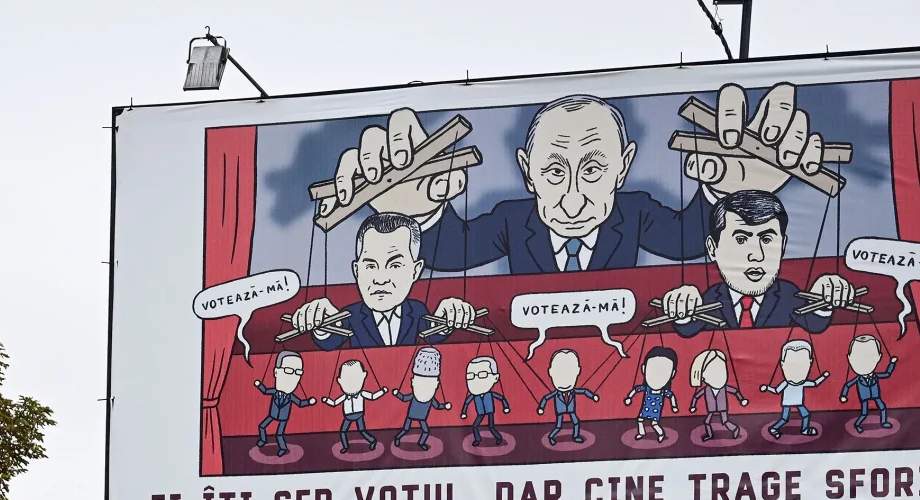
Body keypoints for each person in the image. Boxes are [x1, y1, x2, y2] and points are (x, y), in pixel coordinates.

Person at [319, 85, 834, 275]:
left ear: (623, 166)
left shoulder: (634, 212)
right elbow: (452, 251)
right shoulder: (512, 220)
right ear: (527, 170)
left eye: (592, 171)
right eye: (553, 172)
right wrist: (413, 212)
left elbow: (685, 241)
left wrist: (735, 191)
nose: (571, 200)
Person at [659, 190, 860, 338]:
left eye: (766, 239)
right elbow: (688, 328)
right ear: (713, 248)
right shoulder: (710, 300)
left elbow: (815, 322)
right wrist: (681, 307)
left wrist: (825, 297)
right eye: (740, 240)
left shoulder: (788, 295)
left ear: (783, 246)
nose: (756, 255)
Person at [288, 213, 474, 348]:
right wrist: (321, 324)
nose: (380, 279)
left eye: (395, 265)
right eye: (370, 266)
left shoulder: (417, 311)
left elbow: (433, 332)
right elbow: (330, 339)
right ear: (357, 271)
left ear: (415, 271)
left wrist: (449, 314)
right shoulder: (350, 316)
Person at [760, 338, 828, 438]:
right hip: (787, 402)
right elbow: (776, 390)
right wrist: (767, 388)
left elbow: (815, 383)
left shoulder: (802, 383)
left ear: (810, 363)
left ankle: (804, 429)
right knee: (784, 419)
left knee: (805, 414)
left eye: (802, 365)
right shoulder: (786, 383)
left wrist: (823, 377)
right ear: (782, 364)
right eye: (791, 365)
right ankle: (774, 428)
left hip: (798, 402)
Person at [254, 351, 314, 455]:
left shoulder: (291, 396)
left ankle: (283, 448)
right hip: (272, 414)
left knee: (279, 434)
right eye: (288, 370)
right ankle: (263, 440)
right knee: (262, 426)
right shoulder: (274, 391)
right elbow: (265, 391)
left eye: (298, 372)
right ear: (276, 372)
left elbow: (300, 403)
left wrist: (309, 402)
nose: (293, 377)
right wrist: (259, 385)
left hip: (283, 417)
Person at [535, 348, 598, 445]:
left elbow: (584, 391)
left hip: (571, 409)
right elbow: (546, 398)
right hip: (560, 410)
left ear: (578, 371)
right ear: (550, 372)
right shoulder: (556, 393)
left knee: (576, 422)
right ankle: (551, 436)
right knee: (558, 426)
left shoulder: (573, 391)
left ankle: (575, 436)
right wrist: (541, 407)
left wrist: (593, 396)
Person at [323, 359, 387, 452]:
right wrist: (327, 400)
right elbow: (334, 403)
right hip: (348, 416)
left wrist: (382, 391)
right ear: (339, 381)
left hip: (358, 414)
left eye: (355, 378)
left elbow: (372, 396)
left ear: (363, 376)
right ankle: (346, 447)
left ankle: (372, 440)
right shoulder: (345, 396)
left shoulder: (361, 393)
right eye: (347, 379)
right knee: (343, 431)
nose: (351, 383)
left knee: (361, 430)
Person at [392, 347, 451, 448]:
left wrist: (445, 406)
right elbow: (404, 398)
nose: (424, 388)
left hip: (422, 417)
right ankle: (397, 438)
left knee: (425, 431)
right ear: (413, 382)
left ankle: (421, 442)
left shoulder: (430, 399)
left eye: (428, 384)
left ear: (436, 385)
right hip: (411, 415)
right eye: (421, 383)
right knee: (406, 429)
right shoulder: (415, 395)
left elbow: (438, 406)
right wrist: (397, 393)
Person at [838, 334, 898, 432]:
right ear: (849, 358)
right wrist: (843, 395)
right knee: (864, 413)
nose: (864, 362)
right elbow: (847, 385)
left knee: (882, 407)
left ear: (879, 357)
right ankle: (857, 424)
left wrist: (892, 363)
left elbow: (887, 374)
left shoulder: (875, 376)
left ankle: (884, 422)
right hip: (864, 397)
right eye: (858, 358)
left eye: (869, 356)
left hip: (875, 395)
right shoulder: (858, 378)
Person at [687, 349, 749, 441]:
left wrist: (741, 399)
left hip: (722, 406)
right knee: (707, 422)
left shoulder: (724, 388)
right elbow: (696, 396)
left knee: (725, 421)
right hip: (711, 408)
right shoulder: (706, 389)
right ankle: (710, 435)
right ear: (702, 377)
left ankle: (735, 429)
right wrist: (693, 406)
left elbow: (735, 391)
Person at [624, 347, 679, 442]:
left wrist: (674, 406)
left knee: (654, 423)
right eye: (653, 370)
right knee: (640, 420)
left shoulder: (663, 392)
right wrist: (629, 397)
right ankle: (641, 433)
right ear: (644, 369)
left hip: (655, 411)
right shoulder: (647, 388)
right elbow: (636, 389)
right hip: (645, 409)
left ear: (672, 374)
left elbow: (671, 396)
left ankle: (661, 434)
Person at [459, 356, 511, 446]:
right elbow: (467, 402)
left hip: (489, 411)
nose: (476, 380)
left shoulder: (489, 394)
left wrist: (506, 407)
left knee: (491, 426)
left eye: (482, 374)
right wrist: (464, 412)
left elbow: (501, 398)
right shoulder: (474, 395)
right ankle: (477, 439)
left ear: (495, 378)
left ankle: (498, 438)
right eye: (470, 376)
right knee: (475, 426)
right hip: (480, 412)